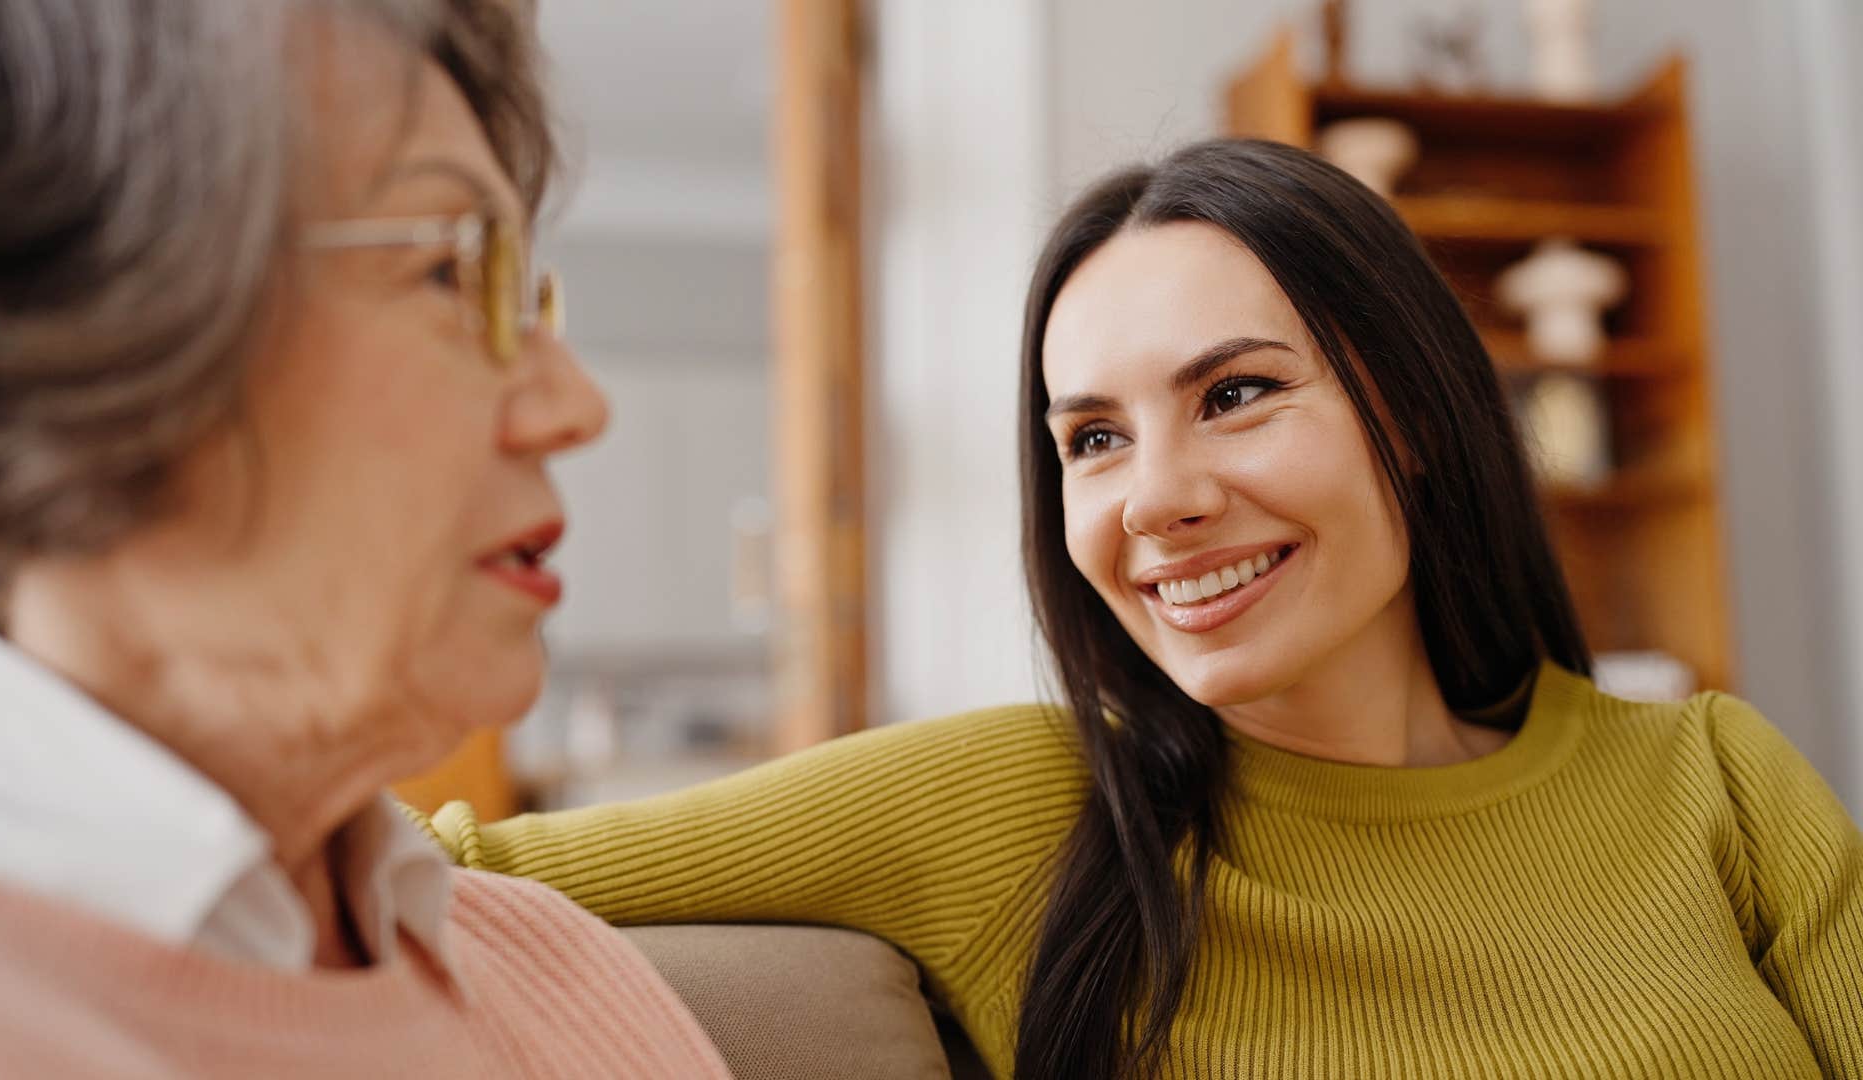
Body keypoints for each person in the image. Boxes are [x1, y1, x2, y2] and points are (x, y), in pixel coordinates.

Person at [420, 139, 1863, 1079]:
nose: (1152, 499)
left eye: (1234, 395)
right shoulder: (1018, 805)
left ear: (1411, 412)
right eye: (1092, 438)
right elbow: (416, 878)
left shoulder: (1717, 783)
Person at [0, 2, 729, 1076]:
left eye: (529, 297)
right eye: (452, 272)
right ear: (43, 362)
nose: (575, 403)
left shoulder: (562, 973)